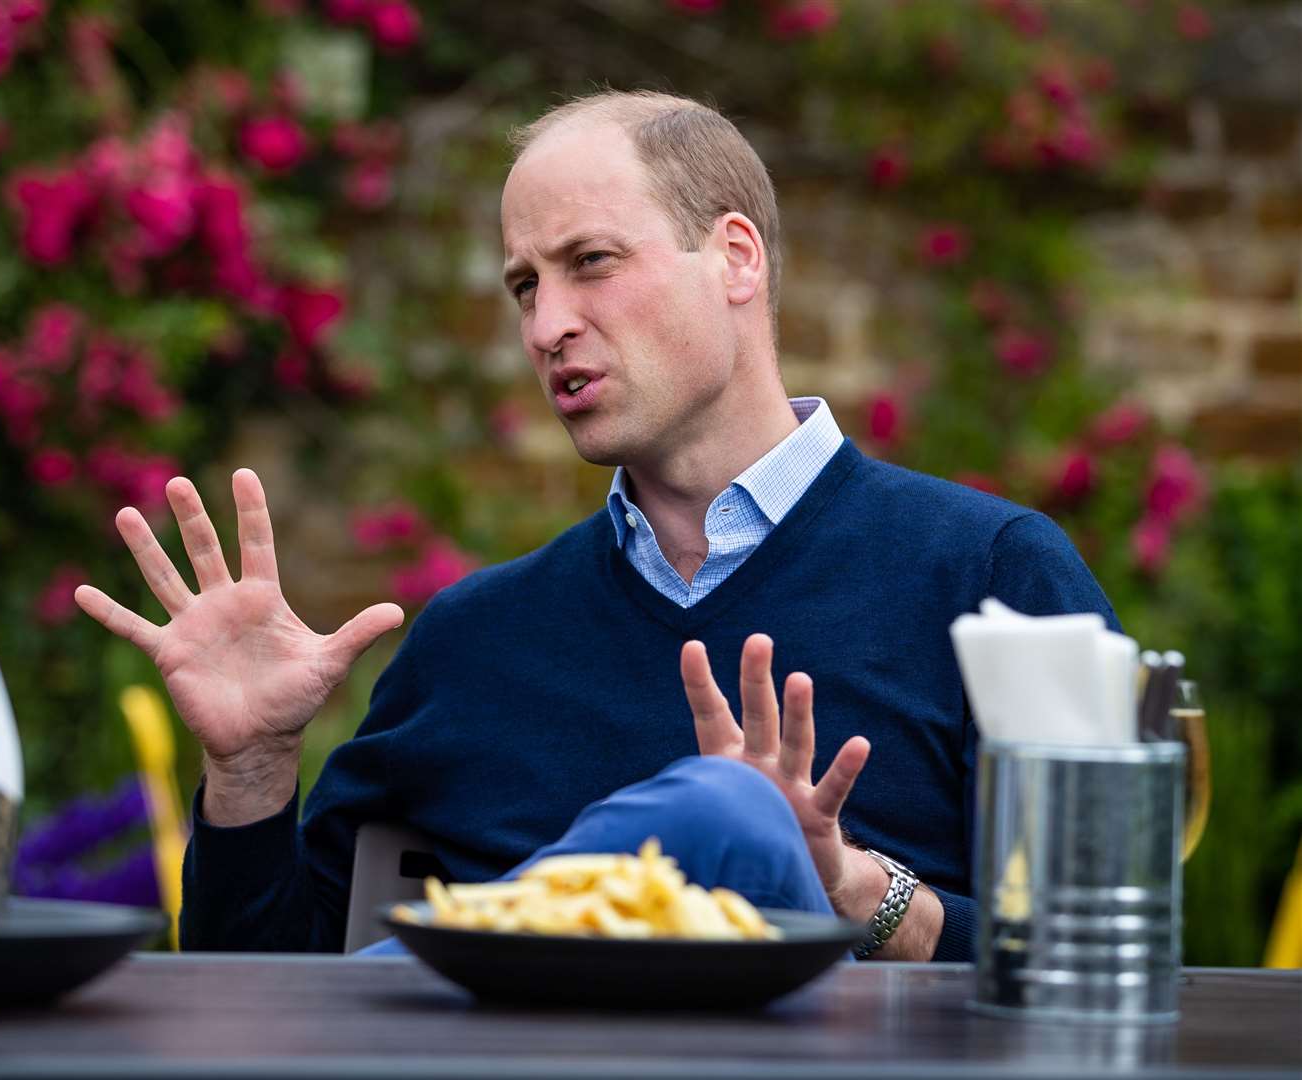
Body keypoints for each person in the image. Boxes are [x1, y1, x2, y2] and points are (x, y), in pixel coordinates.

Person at [74, 90, 1118, 962]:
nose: (546, 325)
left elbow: (1104, 970)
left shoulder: (993, 579)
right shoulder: (471, 644)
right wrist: (252, 769)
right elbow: (264, 1006)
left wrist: (864, 896)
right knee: (724, 820)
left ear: (736, 258)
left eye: (591, 263)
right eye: (525, 285)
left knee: (732, 823)